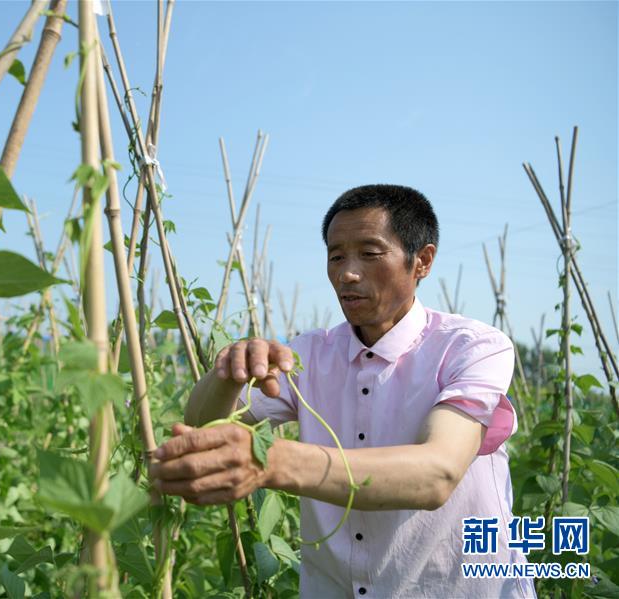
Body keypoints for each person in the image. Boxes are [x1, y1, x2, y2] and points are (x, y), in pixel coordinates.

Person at [149, 185, 536, 598]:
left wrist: (272, 462)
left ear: (422, 261)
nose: (347, 273)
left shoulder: (470, 347)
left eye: (370, 254)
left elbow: (437, 474)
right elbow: (201, 430)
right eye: (336, 256)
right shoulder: (309, 354)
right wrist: (227, 373)